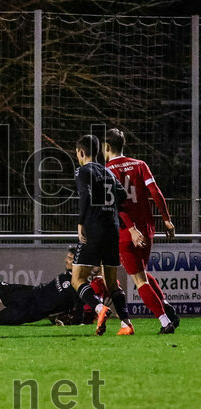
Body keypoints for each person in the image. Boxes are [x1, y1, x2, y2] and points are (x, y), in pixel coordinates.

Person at [103, 128, 179, 334]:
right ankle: (164, 303)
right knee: (142, 273)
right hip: (147, 227)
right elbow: (155, 192)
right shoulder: (140, 164)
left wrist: (131, 229)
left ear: (107, 147)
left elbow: (116, 204)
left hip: (127, 230)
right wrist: (167, 220)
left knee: (139, 280)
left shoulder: (106, 170)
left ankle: (165, 321)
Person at [0, 246, 102, 326]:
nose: (66, 260)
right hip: (29, 292)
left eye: (69, 259)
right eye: (67, 257)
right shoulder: (69, 275)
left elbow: (80, 312)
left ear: (77, 263)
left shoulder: (80, 286)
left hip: (30, 311)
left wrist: (73, 321)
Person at [72, 134, 131, 335]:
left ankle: (99, 308)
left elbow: (85, 196)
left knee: (77, 279)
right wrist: (110, 208)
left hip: (94, 228)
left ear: (81, 152)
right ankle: (126, 323)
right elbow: (122, 194)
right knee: (111, 282)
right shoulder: (109, 173)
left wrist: (81, 222)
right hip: (112, 229)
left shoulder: (82, 171)